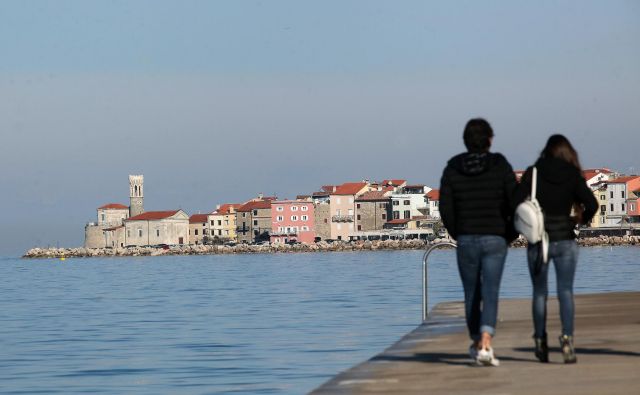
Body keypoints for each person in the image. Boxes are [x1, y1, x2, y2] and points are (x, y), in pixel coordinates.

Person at [440, 118, 517, 366]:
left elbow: (445, 207)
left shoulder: (452, 167)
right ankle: (486, 339)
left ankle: (476, 340)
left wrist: (456, 231)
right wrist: (509, 234)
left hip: (467, 238)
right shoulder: (500, 164)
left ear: (465, 140)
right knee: (491, 290)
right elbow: (514, 201)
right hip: (496, 237)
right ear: (489, 140)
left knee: (471, 292)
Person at [515, 134, 597, 364]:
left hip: (538, 239)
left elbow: (516, 202)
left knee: (540, 293)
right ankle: (568, 339)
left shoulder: (533, 173)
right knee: (565, 292)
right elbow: (592, 204)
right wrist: (577, 221)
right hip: (565, 239)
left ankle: (540, 340)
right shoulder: (572, 174)